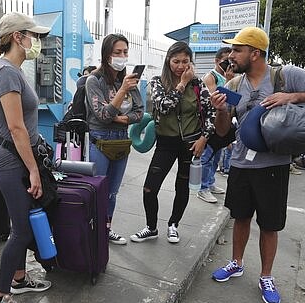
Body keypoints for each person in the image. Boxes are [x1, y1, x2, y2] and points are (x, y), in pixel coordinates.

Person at [210, 27, 305, 303]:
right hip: (241, 163)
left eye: (237, 49)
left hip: (274, 165)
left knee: (269, 225)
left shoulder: (285, 75)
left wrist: (291, 97)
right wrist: (220, 110)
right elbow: (222, 133)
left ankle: (266, 275)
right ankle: (236, 262)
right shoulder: (232, 86)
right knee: (240, 217)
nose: (231, 55)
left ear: (255, 53)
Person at [0, 12, 52, 303]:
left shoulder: (12, 70)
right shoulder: (7, 73)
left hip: (17, 158)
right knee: (21, 229)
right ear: (17, 37)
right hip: (10, 160)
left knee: (22, 221)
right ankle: (0, 300)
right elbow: (15, 128)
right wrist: (34, 170)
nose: (36, 41)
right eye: (32, 35)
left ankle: (20, 278)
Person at [129, 41, 216, 244]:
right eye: (176, 61)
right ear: (168, 61)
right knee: (150, 188)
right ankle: (151, 227)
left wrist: (204, 138)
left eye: (185, 61)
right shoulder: (157, 81)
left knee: (182, 187)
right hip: (165, 143)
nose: (180, 66)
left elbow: (210, 112)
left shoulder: (198, 85)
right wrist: (181, 84)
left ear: (190, 62)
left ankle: (173, 225)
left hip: (191, 144)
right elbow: (164, 106)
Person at [85, 33, 144, 245]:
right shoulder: (95, 81)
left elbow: (140, 112)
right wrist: (121, 92)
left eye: (125, 52)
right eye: (117, 52)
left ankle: (106, 228)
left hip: (121, 140)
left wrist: (122, 119)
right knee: (97, 189)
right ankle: (92, 229)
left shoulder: (128, 80)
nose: (122, 56)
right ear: (107, 55)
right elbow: (102, 115)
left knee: (112, 192)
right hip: (99, 141)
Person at [197, 47, 234, 203]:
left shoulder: (229, 76)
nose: (228, 63)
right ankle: (202, 188)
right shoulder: (210, 76)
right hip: (210, 123)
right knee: (207, 157)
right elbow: (215, 99)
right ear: (217, 61)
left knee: (216, 155)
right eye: (225, 60)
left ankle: (210, 182)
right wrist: (228, 80)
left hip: (222, 123)